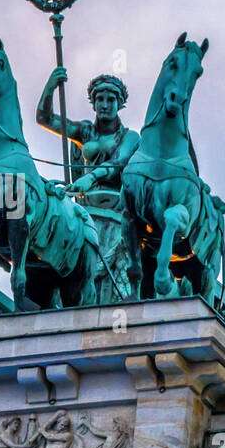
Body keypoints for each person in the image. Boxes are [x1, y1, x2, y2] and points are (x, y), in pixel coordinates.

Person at [36, 67, 140, 300]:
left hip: (116, 212)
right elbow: (45, 119)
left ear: (119, 103)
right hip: (83, 211)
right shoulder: (84, 131)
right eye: (100, 99)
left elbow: (118, 162)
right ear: (93, 104)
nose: (105, 104)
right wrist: (51, 86)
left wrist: (89, 178)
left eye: (111, 99)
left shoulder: (130, 137)